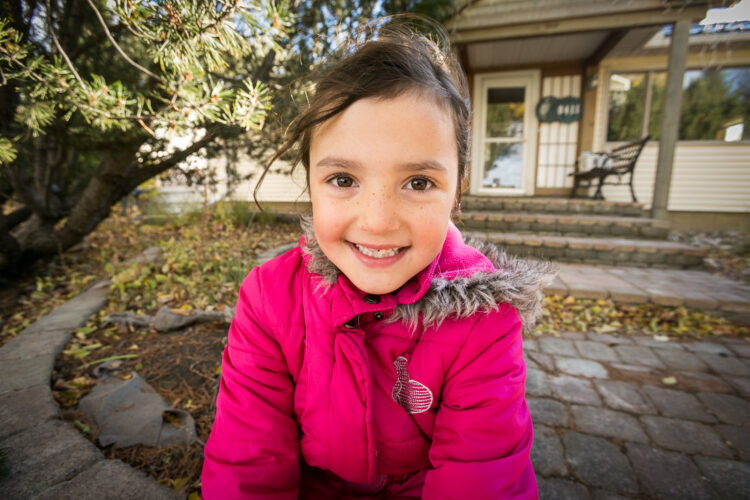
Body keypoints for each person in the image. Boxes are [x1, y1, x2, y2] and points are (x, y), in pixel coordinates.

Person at [202, 16, 552, 499]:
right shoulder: (268, 299)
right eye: (344, 180)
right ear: (311, 183)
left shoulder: (484, 320)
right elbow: (248, 458)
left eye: (419, 183)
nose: (378, 222)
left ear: (457, 190)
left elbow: (480, 475)